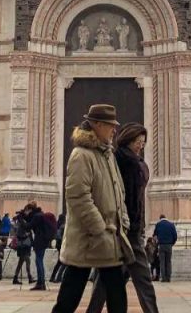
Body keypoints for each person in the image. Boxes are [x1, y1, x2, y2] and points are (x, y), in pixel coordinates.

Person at [50, 103, 131, 313]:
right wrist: (99, 228)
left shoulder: (107, 154)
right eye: (109, 125)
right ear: (96, 125)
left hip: (109, 237)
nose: (114, 129)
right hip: (88, 238)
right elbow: (78, 197)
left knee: (116, 292)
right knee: (70, 295)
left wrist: (123, 221)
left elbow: (117, 191)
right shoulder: (81, 155)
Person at [86, 122, 158, 313]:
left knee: (106, 278)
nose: (141, 145)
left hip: (119, 228)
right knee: (143, 279)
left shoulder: (122, 160)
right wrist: (133, 226)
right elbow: (128, 199)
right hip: (129, 229)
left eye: (143, 142)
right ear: (128, 140)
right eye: (137, 141)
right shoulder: (128, 163)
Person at [153, 214, 177, 282]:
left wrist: (156, 244)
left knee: (162, 262)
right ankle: (168, 277)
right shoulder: (171, 224)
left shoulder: (158, 224)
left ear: (160, 218)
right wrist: (172, 243)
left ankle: (163, 278)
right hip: (169, 245)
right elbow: (175, 236)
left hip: (161, 245)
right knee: (168, 262)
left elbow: (154, 235)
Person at [50, 213, 67, 283]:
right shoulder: (63, 227)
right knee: (62, 262)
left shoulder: (58, 225)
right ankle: (58, 277)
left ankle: (54, 277)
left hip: (59, 246)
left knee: (59, 262)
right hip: (62, 246)